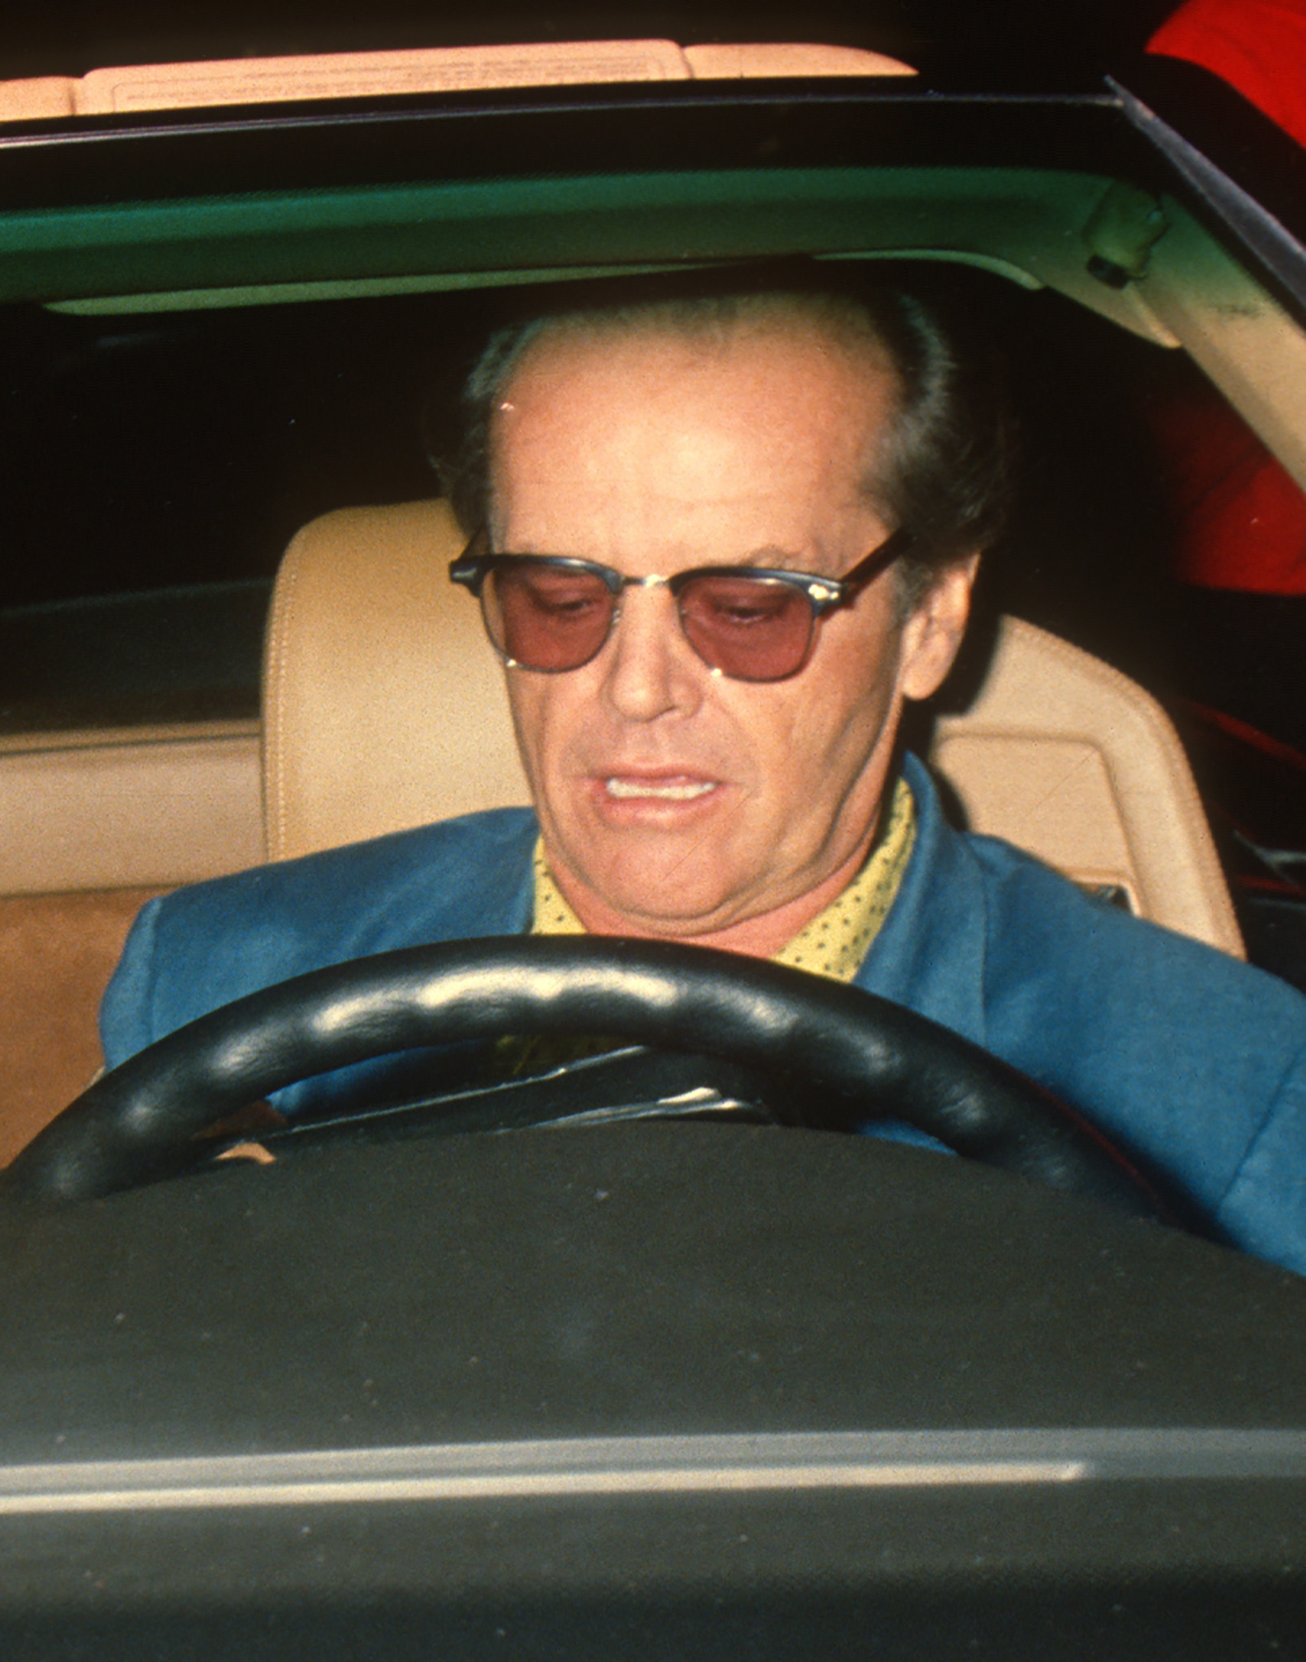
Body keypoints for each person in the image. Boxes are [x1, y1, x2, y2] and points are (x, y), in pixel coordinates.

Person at [100, 280, 1306, 1267]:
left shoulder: (1222, 1088)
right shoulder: (214, 987)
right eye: (560, 599)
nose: (637, 688)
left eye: (747, 608)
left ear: (931, 617)